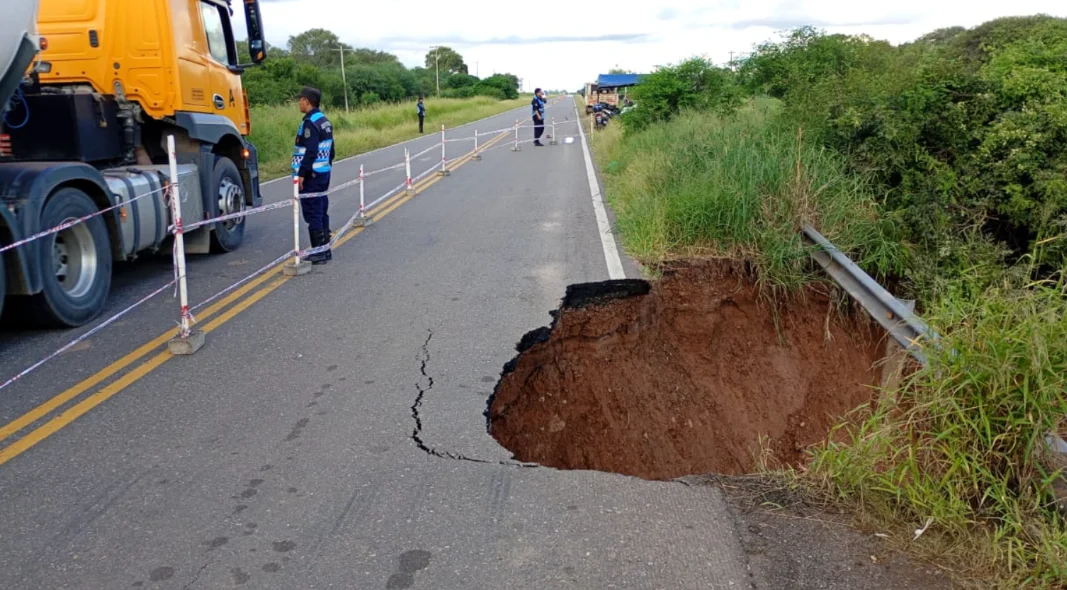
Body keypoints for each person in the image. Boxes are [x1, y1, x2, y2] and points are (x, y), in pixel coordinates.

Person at [292, 86, 335, 265]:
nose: (299, 102)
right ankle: (325, 250)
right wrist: (326, 166)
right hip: (323, 173)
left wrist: (302, 174)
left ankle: (318, 252)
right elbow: (331, 150)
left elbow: (311, 151)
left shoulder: (311, 123)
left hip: (312, 175)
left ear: (307, 101)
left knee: (313, 212)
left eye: (300, 99)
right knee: (321, 209)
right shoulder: (324, 120)